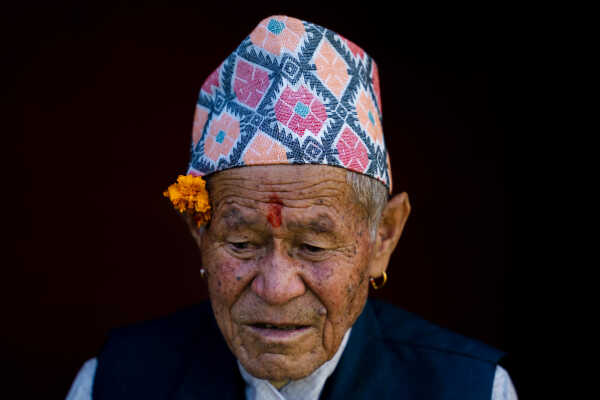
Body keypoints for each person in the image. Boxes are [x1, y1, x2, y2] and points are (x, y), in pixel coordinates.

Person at [66, 15, 518, 400]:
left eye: (314, 246)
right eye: (242, 243)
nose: (277, 289)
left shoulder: (472, 389)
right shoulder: (113, 384)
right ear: (200, 231)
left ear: (382, 237)